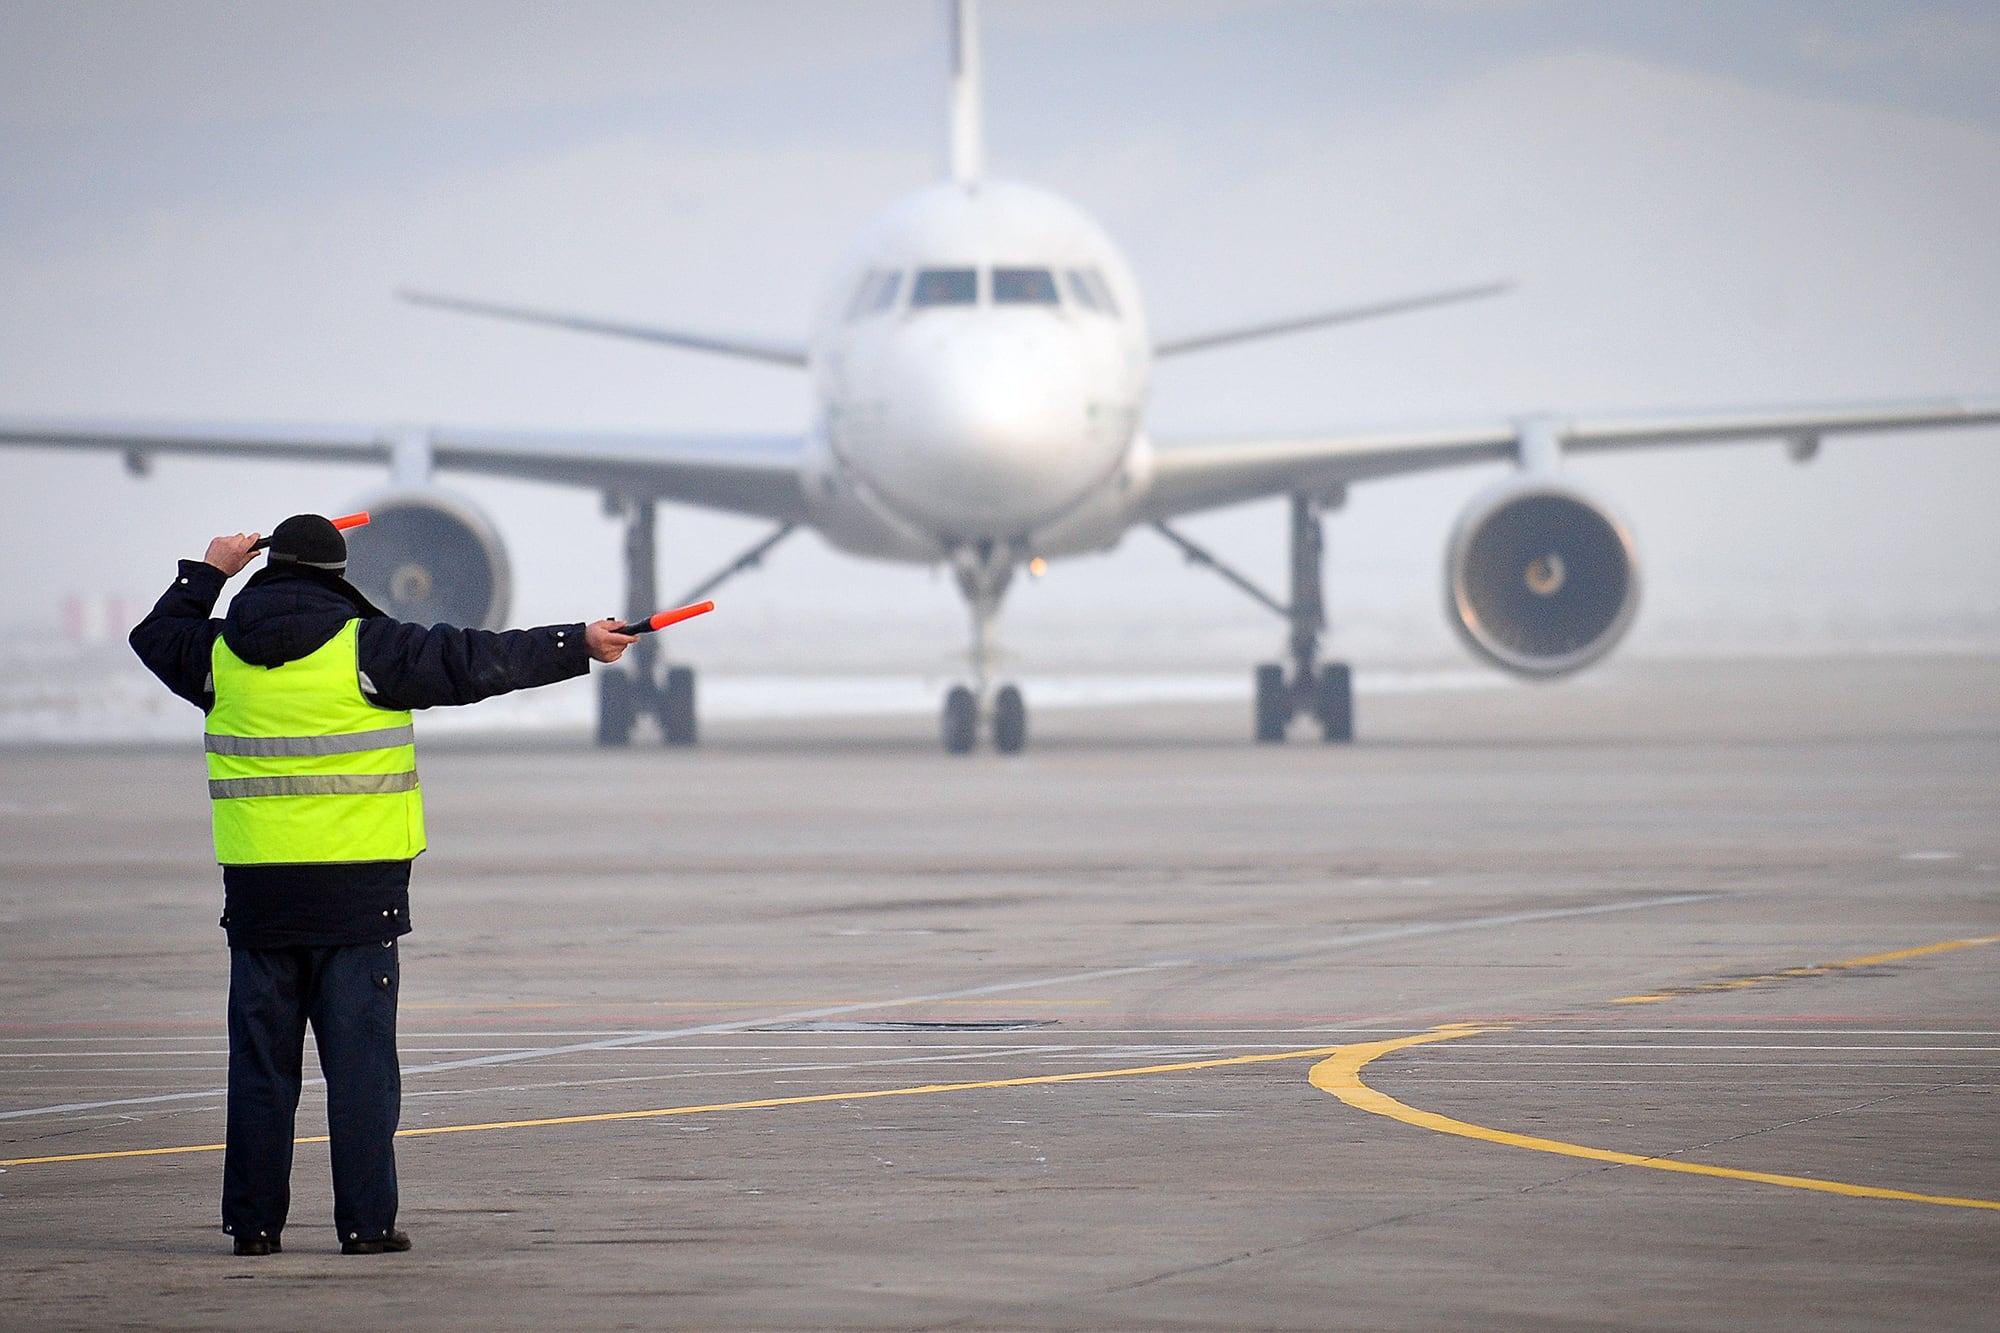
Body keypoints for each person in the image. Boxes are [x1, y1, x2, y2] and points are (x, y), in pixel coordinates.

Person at [129, 514, 638, 1257]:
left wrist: (208, 571)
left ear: (270, 570)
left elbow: (155, 637)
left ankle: (253, 1227)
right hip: (359, 902)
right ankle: (365, 1226)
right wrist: (577, 643)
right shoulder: (371, 649)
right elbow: (481, 659)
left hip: (261, 903)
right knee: (362, 1076)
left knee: (261, 1075)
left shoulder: (216, 659)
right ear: (338, 575)